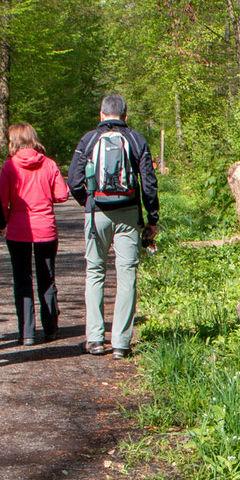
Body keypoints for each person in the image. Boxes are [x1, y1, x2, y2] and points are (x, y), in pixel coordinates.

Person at [67, 93, 158, 359]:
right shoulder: (136, 138)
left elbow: (73, 180)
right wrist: (152, 218)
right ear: (125, 115)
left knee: (95, 272)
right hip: (128, 214)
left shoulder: (89, 139)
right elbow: (149, 183)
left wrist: (89, 202)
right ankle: (121, 343)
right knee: (127, 274)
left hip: (96, 212)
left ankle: (95, 339)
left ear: (101, 114)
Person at [0, 121, 70, 346]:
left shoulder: (9, 167)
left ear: (14, 141)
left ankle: (27, 332)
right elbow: (62, 195)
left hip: (18, 229)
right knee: (47, 279)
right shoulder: (48, 164)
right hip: (46, 229)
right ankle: (50, 328)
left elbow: (2, 201)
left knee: (22, 280)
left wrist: (4, 222)